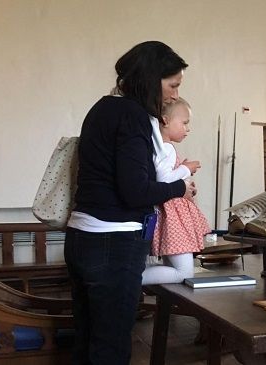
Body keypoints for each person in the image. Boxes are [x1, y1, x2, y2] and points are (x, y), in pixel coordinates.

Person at [64, 41, 194, 364]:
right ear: (151, 78)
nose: (175, 95)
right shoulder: (134, 116)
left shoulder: (102, 108)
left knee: (87, 342)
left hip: (80, 236)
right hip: (112, 242)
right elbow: (135, 191)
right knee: (110, 349)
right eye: (173, 85)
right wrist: (180, 188)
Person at [142, 97, 211, 285]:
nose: (187, 129)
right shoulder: (166, 148)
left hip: (171, 215)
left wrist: (185, 183)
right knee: (183, 272)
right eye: (184, 123)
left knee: (173, 267)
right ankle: (130, 278)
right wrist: (186, 169)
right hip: (174, 218)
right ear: (165, 120)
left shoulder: (158, 147)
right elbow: (163, 179)